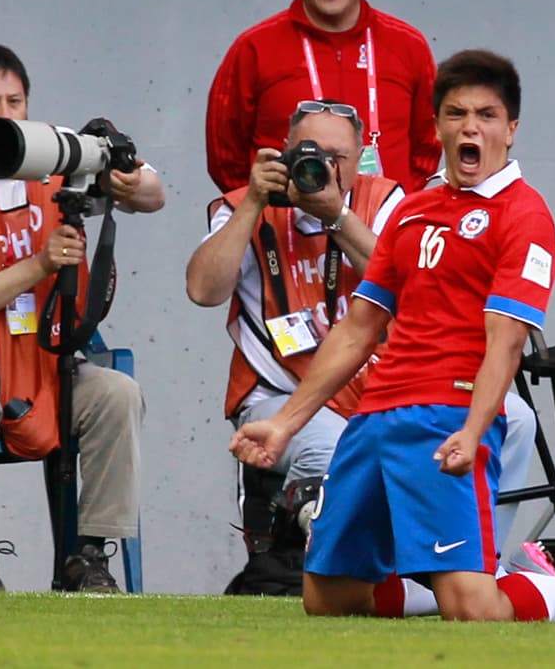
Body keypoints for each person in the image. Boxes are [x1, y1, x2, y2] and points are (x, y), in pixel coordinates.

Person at [230, 50, 555, 625]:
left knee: (472, 610)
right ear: (438, 125)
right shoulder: (412, 212)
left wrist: (473, 431)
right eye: (456, 113)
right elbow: (359, 329)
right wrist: (284, 422)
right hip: (374, 419)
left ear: (511, 129)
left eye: (487, 115)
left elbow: (506, 342)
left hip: (447, 418)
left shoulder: (525, 214)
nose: (471, 127)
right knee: (329, 600)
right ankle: (505, 582)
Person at [187, 99, 535, 603]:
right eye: (309, 154)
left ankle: (482, 563)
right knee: (336, 452)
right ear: (283, 153)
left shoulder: (389, 200)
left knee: (517, 418)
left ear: (361, 157)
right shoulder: (244, 202)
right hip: (283, 391)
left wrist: (337, 217)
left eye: (339, 157)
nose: (324, 168)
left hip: (381, 386)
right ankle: (414, 585)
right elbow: (203, 290)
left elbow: (417, 281)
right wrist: (252, 205)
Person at [0, 44, 162, 591]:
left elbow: (155, 195)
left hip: (49, 365)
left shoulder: (53, 152)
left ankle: (90, 555)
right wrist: (40, 263)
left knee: (118, 393)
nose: (4, 115)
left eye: (15, 101)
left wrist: (128, 182)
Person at [205, 0, 440, 195]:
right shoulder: (254, 48)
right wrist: (265, 215)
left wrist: (394, 206)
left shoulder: (409, 46)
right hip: (284, 232)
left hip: (381, 232)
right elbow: (224, 157)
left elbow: (430, 144)